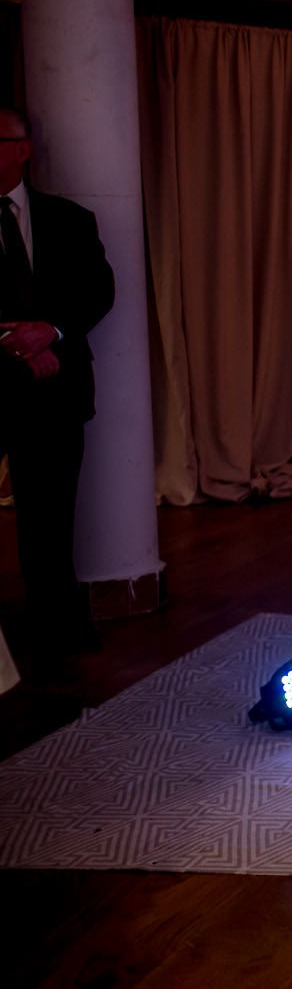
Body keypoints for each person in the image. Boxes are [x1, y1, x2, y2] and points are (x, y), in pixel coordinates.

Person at [0, 108, 116, 674]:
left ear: (23, 149)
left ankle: (54, 628)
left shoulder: (68, 219)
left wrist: (50, 331)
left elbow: (96, 291)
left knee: (50, 514)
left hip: (54, 390)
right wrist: (17, 340)